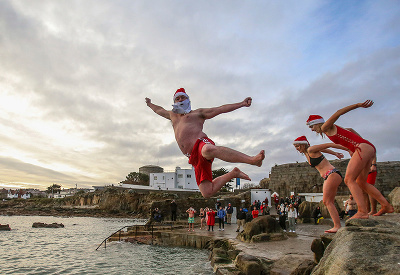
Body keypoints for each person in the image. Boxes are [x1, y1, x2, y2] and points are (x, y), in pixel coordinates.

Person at [145, 88, 265, 198]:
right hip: (193, 156)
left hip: (201, 143)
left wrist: (241, 104)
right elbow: (159, 110)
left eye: (183, 97)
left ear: (188, 100)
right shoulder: (172, 116)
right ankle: (234, 173)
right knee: (207, 192)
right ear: (174, 101)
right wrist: (150, 104)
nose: (180, 100)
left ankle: (252, 160)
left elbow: (220, 109)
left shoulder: (197, 113)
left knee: (207, 149)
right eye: (177, 98)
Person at [306, 100, 393, 219]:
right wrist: (358, 144)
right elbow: (350, 130)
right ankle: (385, 205)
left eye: (312, 126)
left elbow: (338, 113)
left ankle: (362, 211)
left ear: (317, 123)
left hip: (361, 148)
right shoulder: (332, 130)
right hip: (366, 147)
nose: (311, 129)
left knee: (348, 180)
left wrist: (358, 105)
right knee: (361, 182)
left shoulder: (326, 126)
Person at [293, 135, 345, 233]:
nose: (297, 149)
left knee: (326, 201)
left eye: (298, 146)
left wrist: (348, 148)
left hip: (332, 174)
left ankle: (337, 226)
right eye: (295, 147)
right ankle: (337, 225)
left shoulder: (311, 149)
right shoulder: (307, 153)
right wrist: (334, 153)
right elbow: (324, 150)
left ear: (304, 144)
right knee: (329, 202)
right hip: (329, 176)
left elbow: (328, 145)